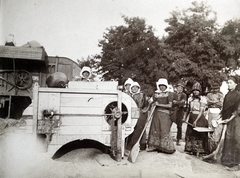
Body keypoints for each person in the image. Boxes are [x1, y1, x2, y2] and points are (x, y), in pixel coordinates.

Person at [147, 78, 175, 154]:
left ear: (166, 86)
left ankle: (166, 147)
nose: (162, 87)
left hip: (165, 115)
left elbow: (170, 105)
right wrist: (151, 103)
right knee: (156, 129)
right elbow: (150, 102)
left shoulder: (169, 94)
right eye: (160, 85)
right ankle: (157, 146)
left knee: (164, 130)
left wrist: (158, 104)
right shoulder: (155, 94)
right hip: (156, 115)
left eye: (163, 86)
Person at [219, 76, 240, 171]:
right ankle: (227, 161)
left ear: (236, 84)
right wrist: (221, 117)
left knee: (235, 139)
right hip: (229, 119)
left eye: (231, 82)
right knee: (228, 139)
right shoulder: (227, 95)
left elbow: (237, 110)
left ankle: (235, 163)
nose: (229, 84)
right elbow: (224, 108)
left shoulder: (238, 95)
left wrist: (230, 118)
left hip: (236, 120)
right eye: (228, 82)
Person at [183, 82, 209, 156]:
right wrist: (185, 118)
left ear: (200, 91)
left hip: (200, 118)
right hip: (191, 117)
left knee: (199, 134)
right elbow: (188, 109)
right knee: (190, 133)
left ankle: (200, 150)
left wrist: (196, 121)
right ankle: (190, 149)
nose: (195, 92)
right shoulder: (190, 99)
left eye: (197, 90)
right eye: (194, 90)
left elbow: (201, 111)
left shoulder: (202, 99)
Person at [125, 81, 150, 154]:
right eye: (133, 87)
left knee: (138, 130)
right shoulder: (128, 95)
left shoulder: (142, 95)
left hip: (140, 113)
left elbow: (147, 105)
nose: (134, 89)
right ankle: (127, 146)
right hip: (129, 113)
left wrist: (143, 111)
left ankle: (133, 146)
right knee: (130, 129)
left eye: (136, 87)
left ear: (138, 88)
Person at [206, 82, 224, 153]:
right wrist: (215, 102)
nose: (215, 90)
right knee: (209, 128)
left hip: (217, 111)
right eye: (214, 88)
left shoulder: (220, 95)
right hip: (210, 111)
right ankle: (209, 147)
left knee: (216, 128)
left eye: (216, 88)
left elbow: (221, 103)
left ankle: (214, 147)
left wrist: (213, 102)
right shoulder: (209, 94)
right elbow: (208, 102)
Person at [171, 81, 187, 146]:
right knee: (169, 124)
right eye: (179, 87)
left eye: (181, 88)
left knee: (179, 126)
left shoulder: (184, 95)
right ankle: (167, 138)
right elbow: (172, 102)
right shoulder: (173, 94)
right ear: (176, 88)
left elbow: (183, 103)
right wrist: (178, 102)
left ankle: (178, 140)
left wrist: (176, 102)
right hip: (173, 111)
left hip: (180, 111)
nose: (180, 89)